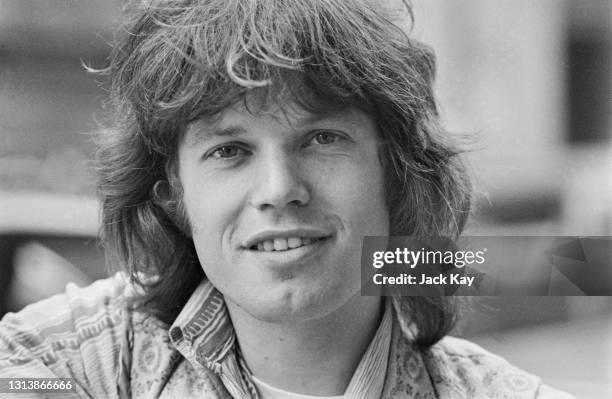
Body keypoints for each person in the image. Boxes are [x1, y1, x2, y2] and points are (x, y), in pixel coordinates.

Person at [0, 0, 573, 398]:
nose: (279, 190)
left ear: (393, 173)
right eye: (229, 151)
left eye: (323, 139)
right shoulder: (75, 368)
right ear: (173, 194)